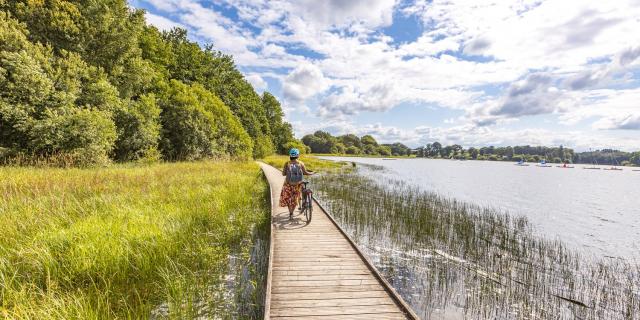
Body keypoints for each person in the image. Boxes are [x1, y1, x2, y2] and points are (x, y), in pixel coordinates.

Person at [279, 148, 314, 220]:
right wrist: (312, 173)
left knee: (288, 199)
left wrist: (287, 172)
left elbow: (283, 174)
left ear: (290, 155)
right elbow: (305, 173)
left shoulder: (287, 163)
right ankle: (293, 212)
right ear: (297, 155)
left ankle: (290, 213)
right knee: (295, 199)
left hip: (288, 184)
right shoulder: (300, 163)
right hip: (297, 185)